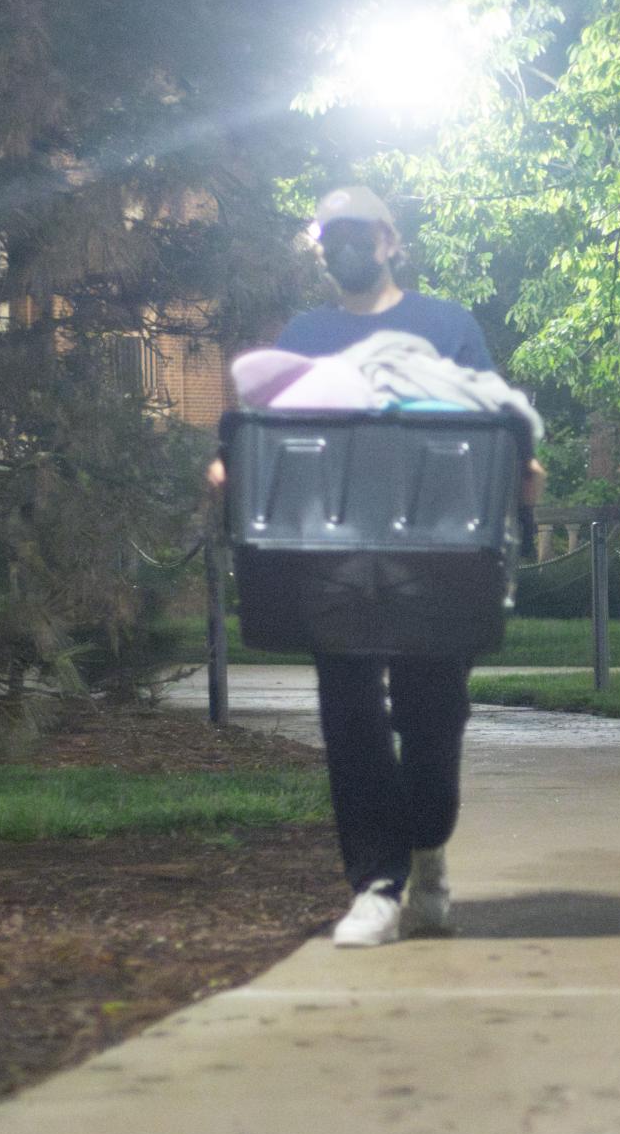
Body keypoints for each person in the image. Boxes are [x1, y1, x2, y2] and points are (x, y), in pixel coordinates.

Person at [211, 185, 542, 948]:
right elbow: (271, 430)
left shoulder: (446, 325)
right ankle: (376, 885)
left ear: (391, 241)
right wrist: (229, 467)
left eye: (357, 233)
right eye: (329, 236)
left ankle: (428, 855)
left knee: (432, 715)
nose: (342, 247)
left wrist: (524, 465)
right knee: (350, 715)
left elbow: (489, 420)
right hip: (332, 553)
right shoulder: (306, 331)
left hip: (435, 555)